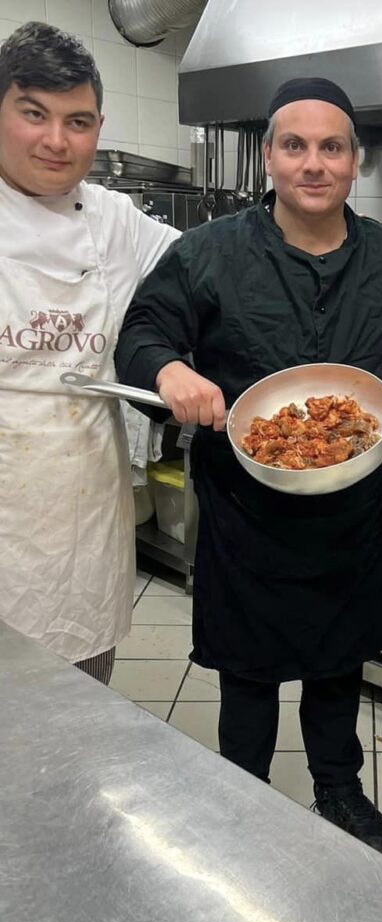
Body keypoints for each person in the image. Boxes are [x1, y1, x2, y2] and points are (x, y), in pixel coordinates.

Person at [114, 77, 382, 856]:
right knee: (247, 671)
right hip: (246, 513)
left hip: (353, 516)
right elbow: (143, 333)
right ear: (268, 156)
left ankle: (338, 788)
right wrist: (169, 371)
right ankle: (241, 790)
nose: (313, 163)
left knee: (339, 666)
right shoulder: (205, 256)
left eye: (331, 147)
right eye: (294, 145)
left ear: (355, 162)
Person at [0, 22, 178, 684]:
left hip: (82, 515)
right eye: (33, 114)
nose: (56, 140)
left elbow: (206, 271)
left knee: (78, 711)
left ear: (98, 126)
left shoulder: (113, 219)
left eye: (77, 121)